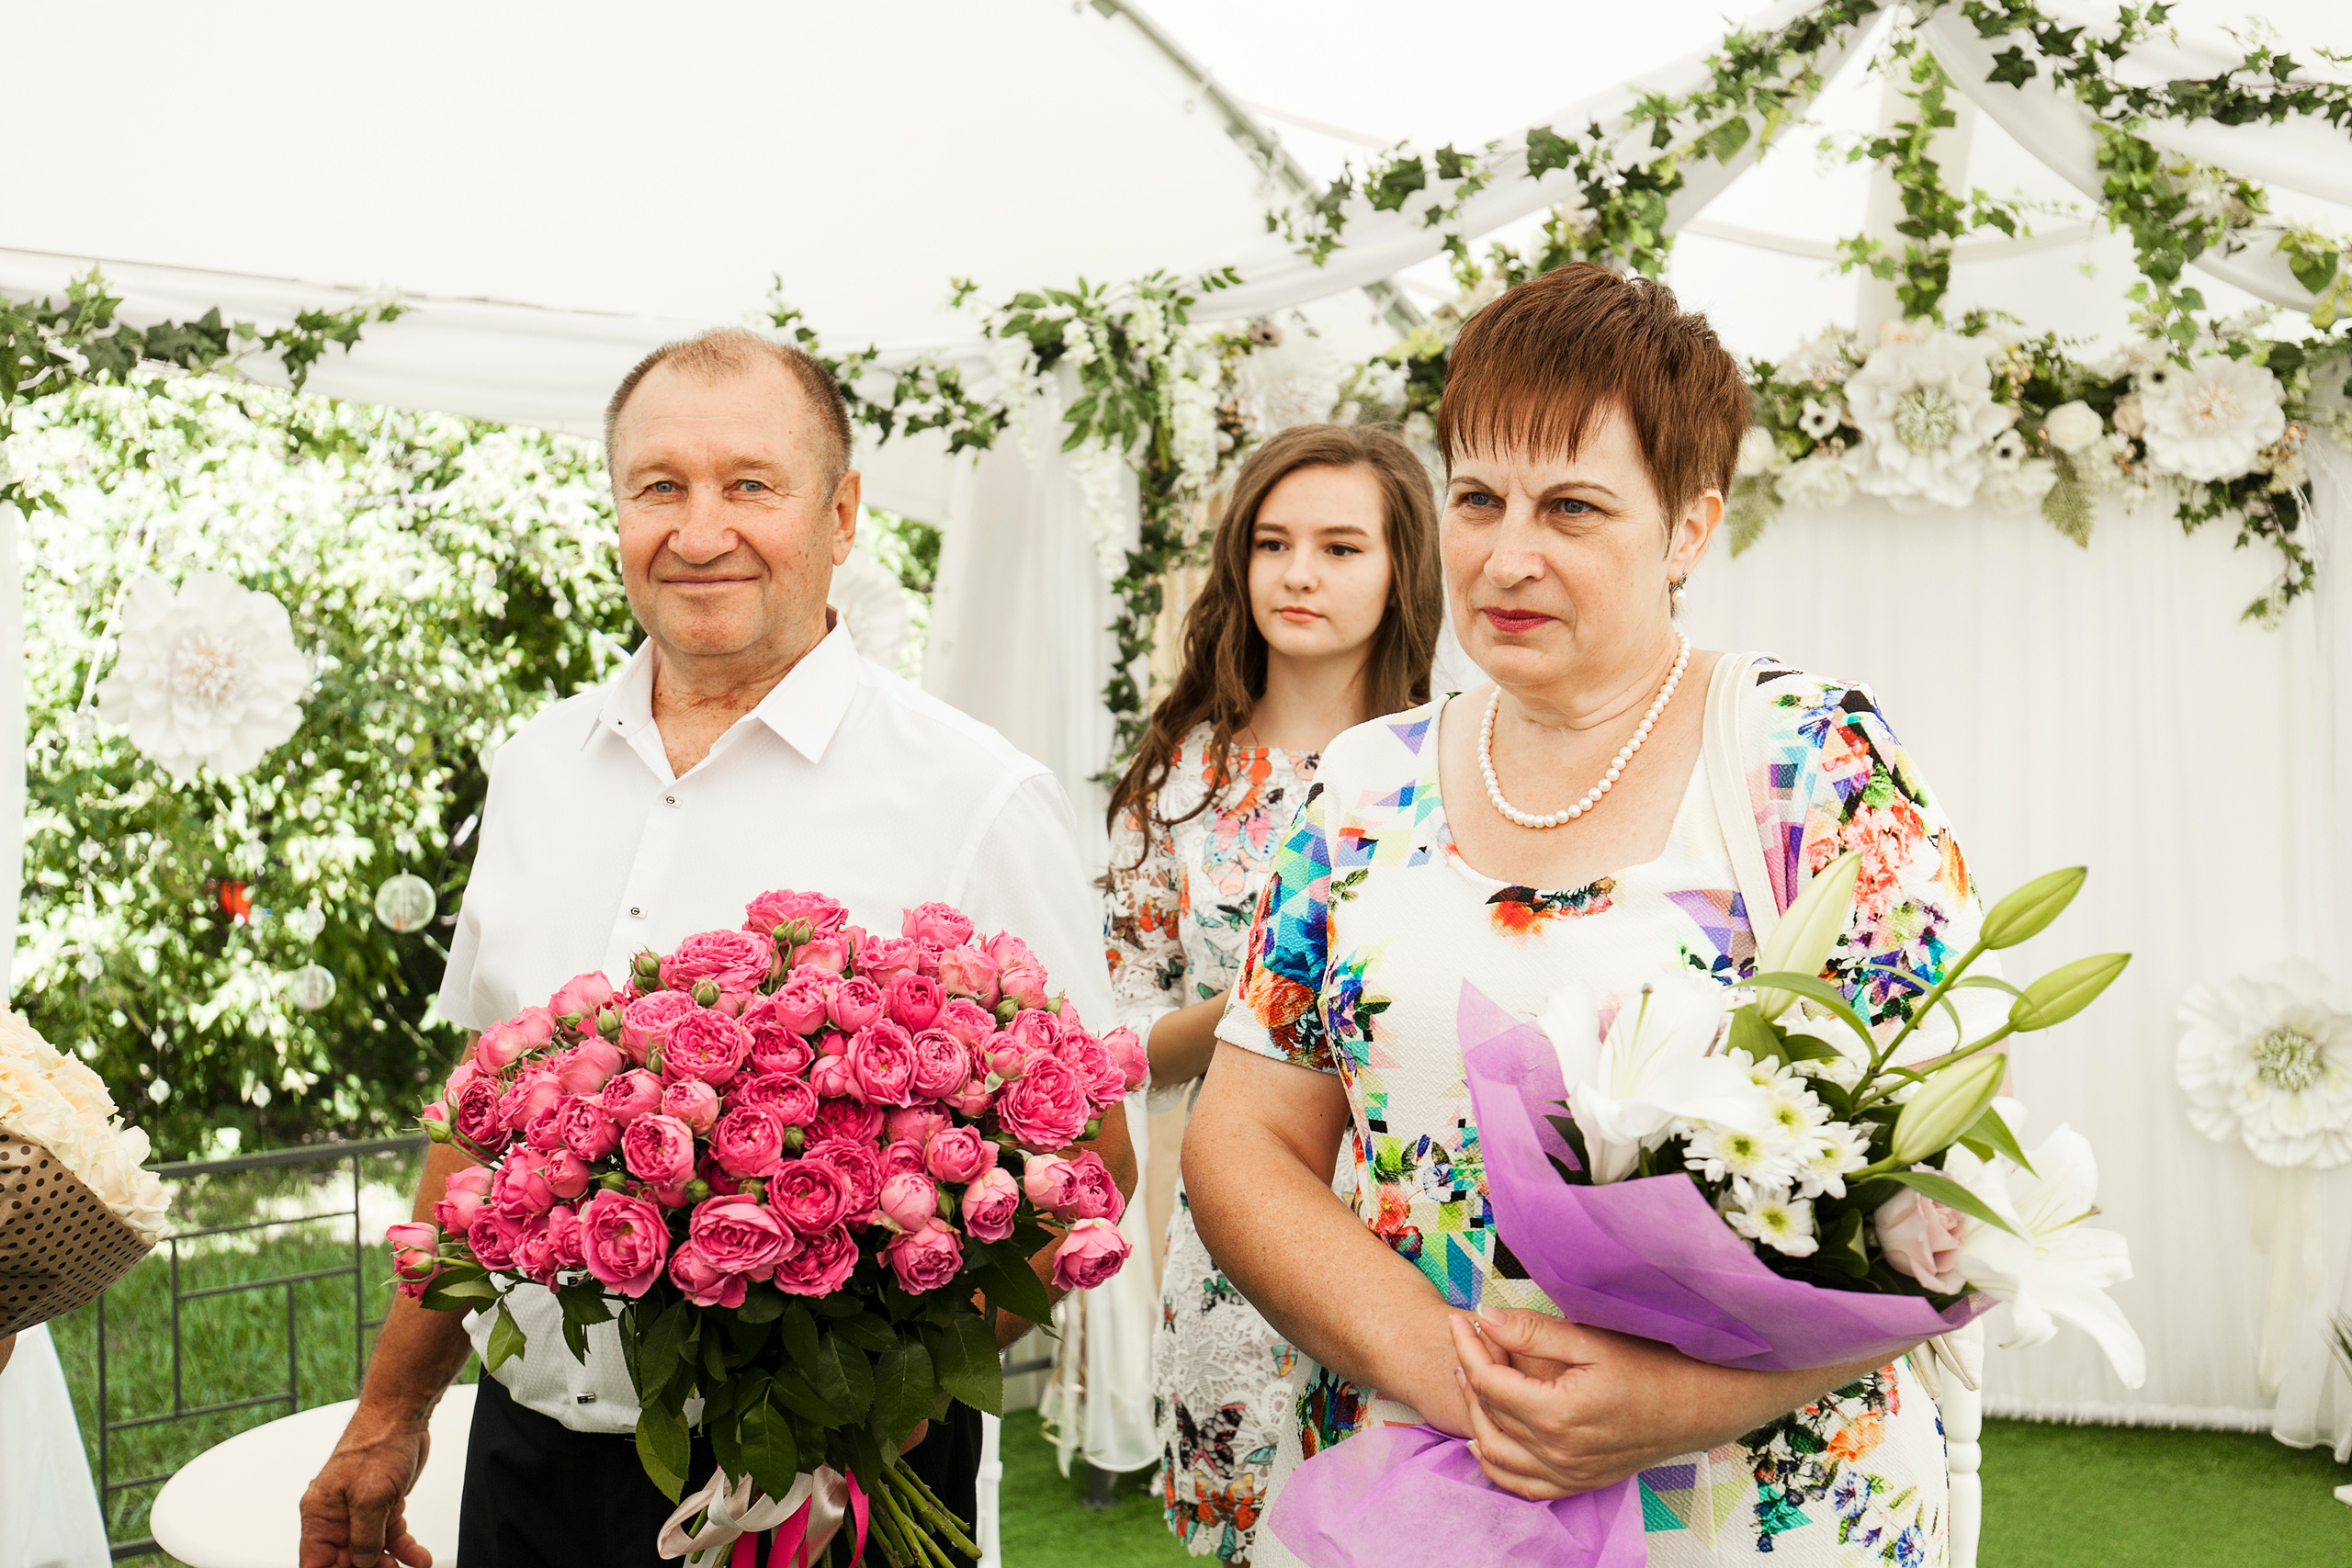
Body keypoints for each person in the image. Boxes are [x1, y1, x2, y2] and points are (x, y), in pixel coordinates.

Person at [1183, 264, 1987, 1565]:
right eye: (1480, 497)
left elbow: (1949, 1185)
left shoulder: (1809, 760)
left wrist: (1671, 1400)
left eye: (1573, 506)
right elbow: (1245, 1138)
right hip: (1421, 1488)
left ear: (1689, 527)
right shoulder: (1363, 784)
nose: (1508, 555)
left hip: (1755, 1502)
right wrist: (1466, 1381)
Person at [298, 328, 1136, 1568]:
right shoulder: (537, 769)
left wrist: (875, 1396)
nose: (700, 530)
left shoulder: (970, 793)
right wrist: (391, 1413)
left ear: (843, 512)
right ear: (617, 509)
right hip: (532, 1460)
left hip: (843, 1489)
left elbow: (1090, 1162)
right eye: (660, 486)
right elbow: (482, 1126)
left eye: (752, 483)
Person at [1102, 424, 1441, 1562]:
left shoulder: (1449, 773)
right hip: (1232, 1229)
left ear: (1401, 572)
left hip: (1414, 1220)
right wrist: (1266, 991)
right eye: (1273, 543)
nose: (1299, 573)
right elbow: (1121, 1040)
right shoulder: (1177, 782)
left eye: (1342, 547)